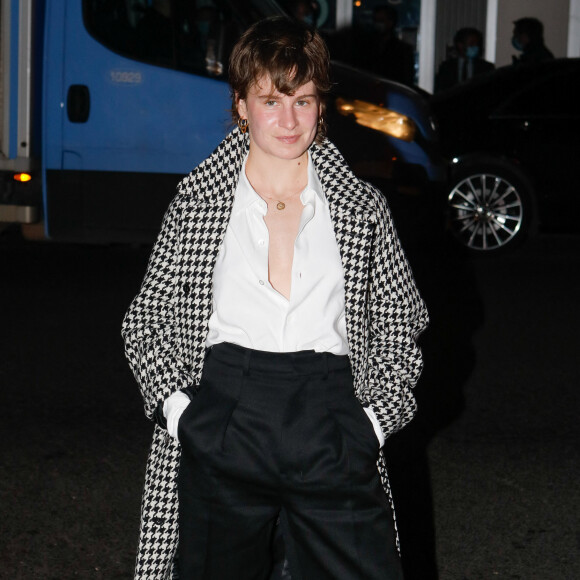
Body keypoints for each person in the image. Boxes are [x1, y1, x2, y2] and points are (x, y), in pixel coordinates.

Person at [122, 16, 428, 580]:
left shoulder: (361, 208)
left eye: (304, 101)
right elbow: (147, 322)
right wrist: (182, 415)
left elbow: (399, 326)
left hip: (331, 421)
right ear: (240, 104)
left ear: (321, 106)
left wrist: (372, 426)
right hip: (226, 413)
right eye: (270, 100)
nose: (288, 120)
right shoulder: (197, 203)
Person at [361, 5, 416, 86]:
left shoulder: (402, 50)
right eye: (376, 20)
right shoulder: (366, 47)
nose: (378, 24)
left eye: (381, 20)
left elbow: (406, 79)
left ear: (391, 22)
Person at [435, 27, 495, 92]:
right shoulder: (446, 67)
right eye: (471, 44)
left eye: (477, 44)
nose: (476, 47)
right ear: (460, 45)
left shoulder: (486, 68)